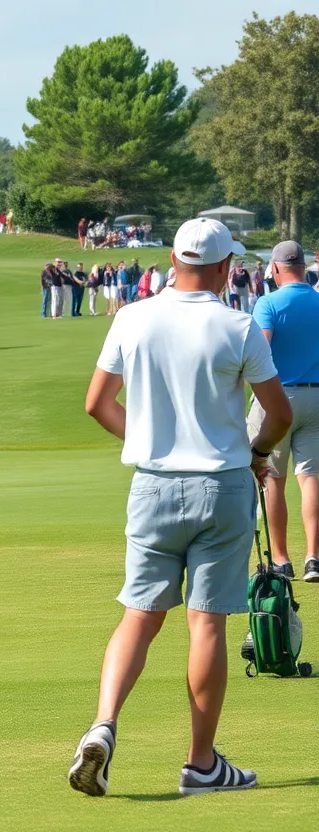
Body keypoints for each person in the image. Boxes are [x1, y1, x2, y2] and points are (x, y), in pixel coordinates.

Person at [72, 217, 292, 798]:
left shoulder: (131, 316)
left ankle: (102, 726)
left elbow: (97, 402)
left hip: (152, 484)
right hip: (221, 486)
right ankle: (200, 765)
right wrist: (257, 454)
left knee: (139, 617)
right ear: (222, 268)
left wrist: (147, 441)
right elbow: (279, 416)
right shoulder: (238, 325)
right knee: (206, 624)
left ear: (173, 260)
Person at [247, 241, 319, 583]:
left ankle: (281, 559)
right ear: (303, 266)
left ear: (275, 269)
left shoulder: (268, 303)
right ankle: (313, 557)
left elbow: (260, 349)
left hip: (277, 398)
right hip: (316, 397)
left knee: (272, 477)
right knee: (310, 478)